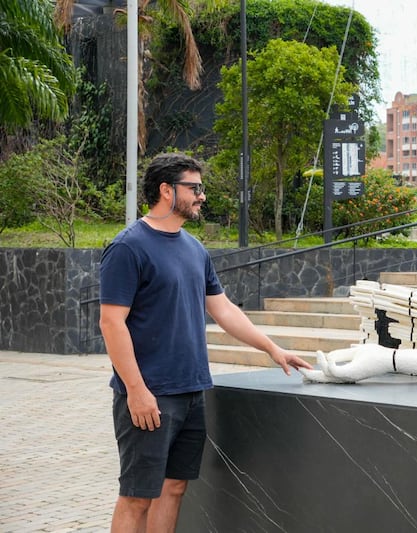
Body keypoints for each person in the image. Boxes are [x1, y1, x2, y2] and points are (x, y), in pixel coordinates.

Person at [99, 152, 312, 531]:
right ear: (167, 190)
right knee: (136, 496)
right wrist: (135, 390)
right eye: (194, 188)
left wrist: (272, 348)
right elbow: (112, 322)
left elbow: (224, 310)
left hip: (191, 390)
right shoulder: (128, 247)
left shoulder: (194, 249)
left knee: (174, 487)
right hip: (150, 394)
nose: (202, 196)